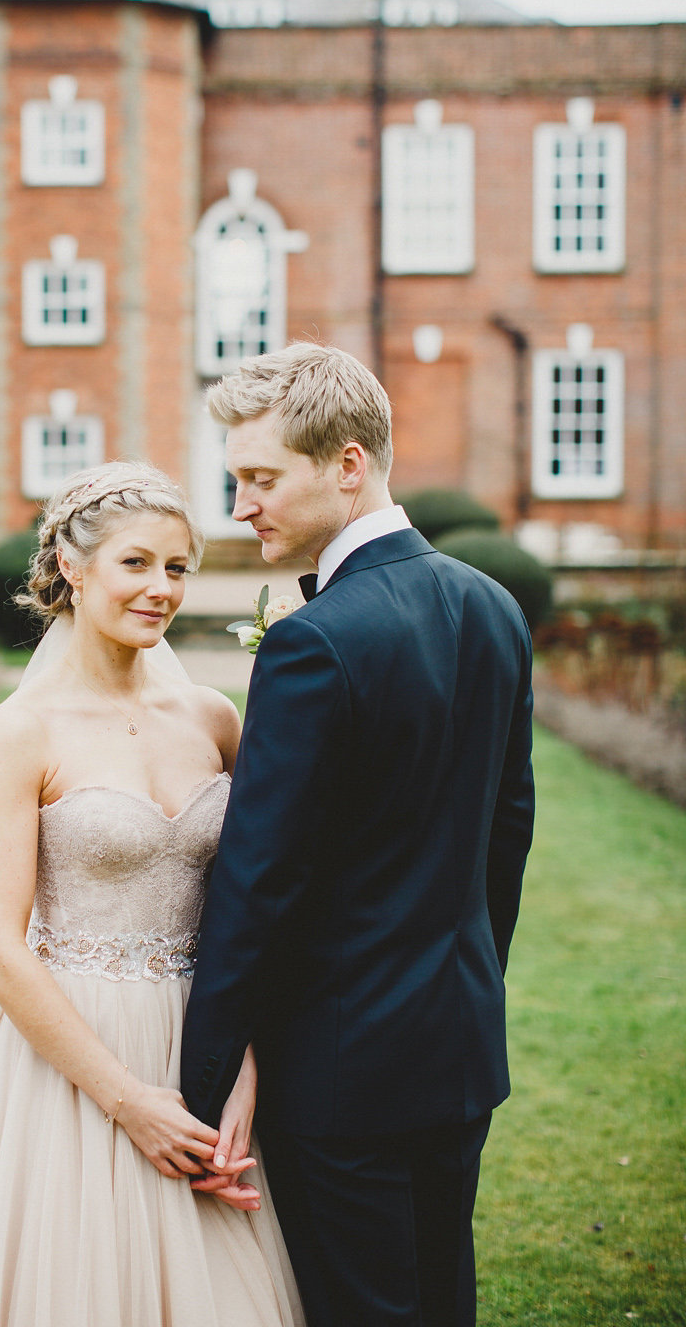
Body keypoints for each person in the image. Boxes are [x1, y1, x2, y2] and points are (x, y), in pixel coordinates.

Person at [0, 461, 304, 1327]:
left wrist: (241, 1069)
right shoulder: (20, 732)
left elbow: (249, 909)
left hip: (200, 1041)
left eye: (177, 568)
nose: (161, 589)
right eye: (137, 563)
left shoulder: (214, 717)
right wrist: (129, 1102)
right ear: (69, 565)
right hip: (70, 1060)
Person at [181, 343, 535, 1327]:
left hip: (340, 1074)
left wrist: (201, 1085)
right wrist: (464, 986)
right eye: (235, 480)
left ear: (348, 464)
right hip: (457, 1048)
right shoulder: (495, 608)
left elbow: (260, 880)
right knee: (441, 1302)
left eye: (259, 478)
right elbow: (506, 840)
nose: (241, 505)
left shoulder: (314, 642)